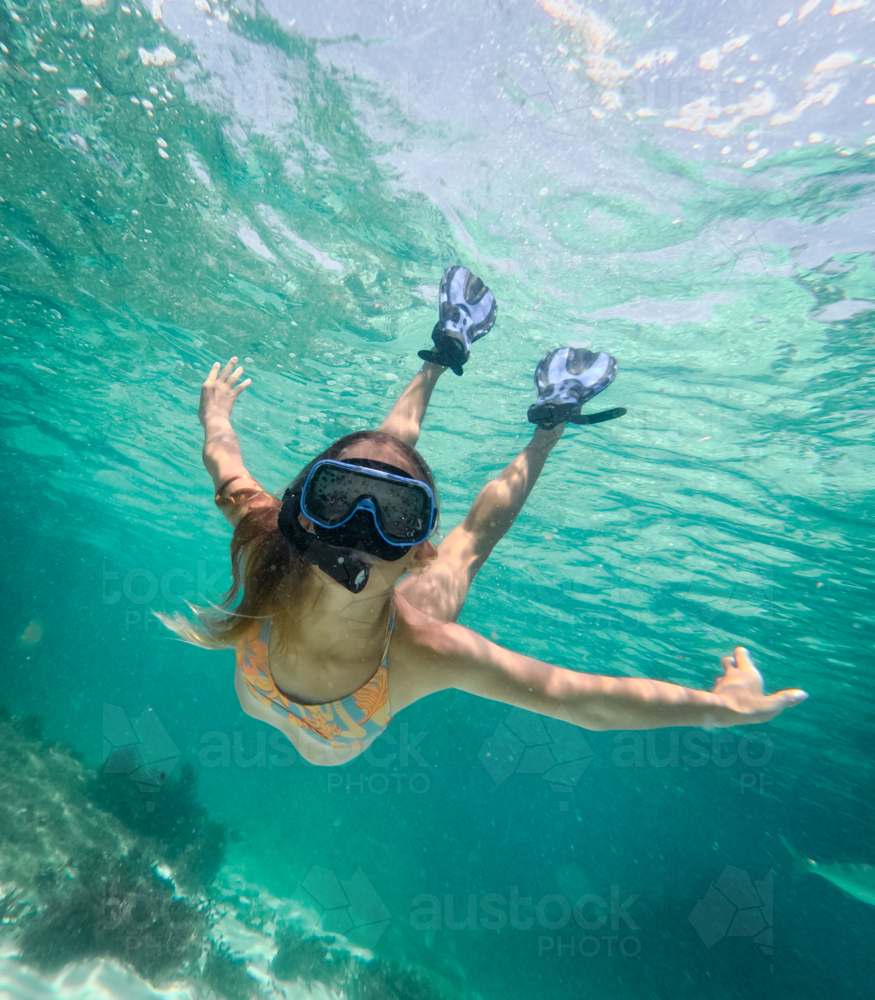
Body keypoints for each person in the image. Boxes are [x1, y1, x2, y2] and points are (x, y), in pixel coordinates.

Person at [161, 266, 808, 766]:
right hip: (348, 671)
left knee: (466, 542)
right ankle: (444, 352)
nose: (361, 528)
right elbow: (226, 466)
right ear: (299, 513)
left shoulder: (423, 651)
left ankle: (547, 425)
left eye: (396, 517)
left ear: (420, 550)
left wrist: (721, 709)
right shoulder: (267, 535)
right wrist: (214, 413)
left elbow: (578, 698)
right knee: (389, 457)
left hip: (398, 626)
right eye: (336, 500)